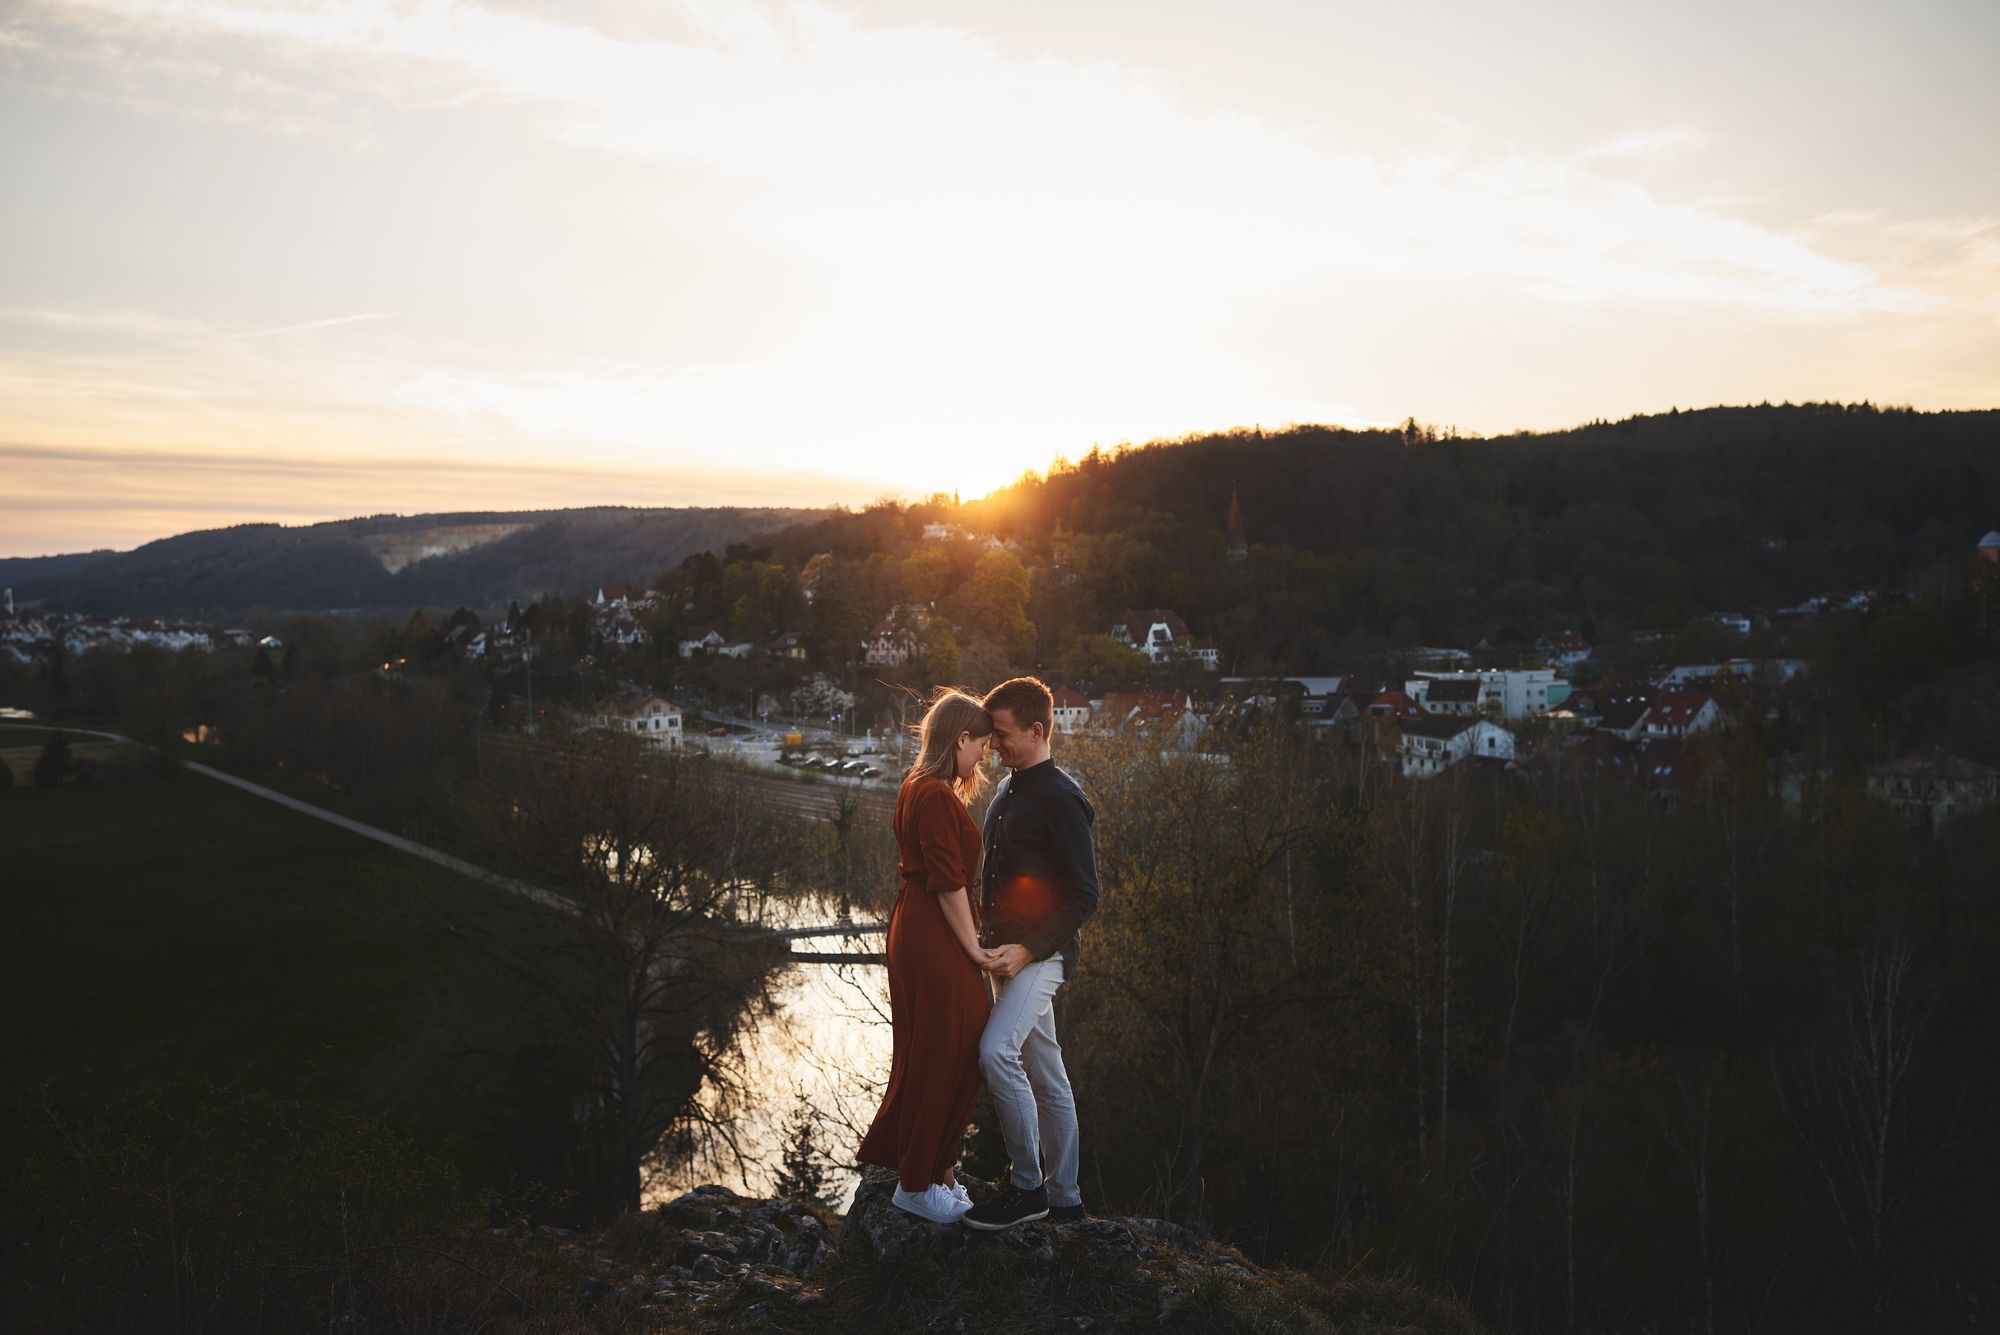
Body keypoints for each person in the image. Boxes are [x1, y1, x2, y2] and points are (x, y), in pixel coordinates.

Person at [856, 688, 1000, 1223]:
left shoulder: (916, 785)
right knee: (951, 1047)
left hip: (914, 925)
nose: (981, 757)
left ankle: (937, 1171)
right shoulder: (936, 795)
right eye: (980, 746)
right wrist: (975, 951)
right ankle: (914, 1185)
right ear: (960, 738)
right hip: (935, 931)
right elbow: (948, 883)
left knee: (936, 1047)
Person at [961, 676, 1098, 1230]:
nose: (994, 744)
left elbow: (1085, 895)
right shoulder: (1007, 789)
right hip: (1004, 955)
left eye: (1003, 734)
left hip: (1042, 956)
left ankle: (1027, 1188)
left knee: (996, 1052)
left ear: (1037, 730)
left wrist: (1028, 950)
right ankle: (1065, 1199)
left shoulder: (1064, 799)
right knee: (1048, 1074)